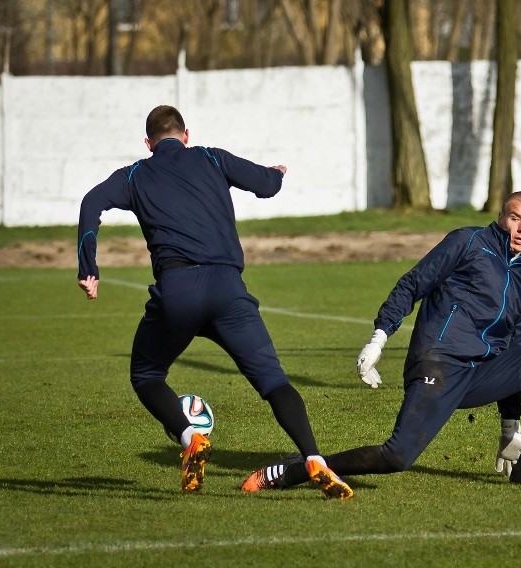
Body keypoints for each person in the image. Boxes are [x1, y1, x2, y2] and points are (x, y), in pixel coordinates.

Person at [76, 105, 352, 498]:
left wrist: (89, 268)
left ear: (148, 143)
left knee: (147, 375)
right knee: (275, 382)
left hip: (178, 292)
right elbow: (267, 186)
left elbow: (91, 202)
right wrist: (276, 174)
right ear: (186, 135)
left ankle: (190, 436)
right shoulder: (210, 156)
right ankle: (314, 459)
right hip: (228, 290)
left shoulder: (135, 175)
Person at [242, 191, 521, 494]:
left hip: (480, 375)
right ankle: (295, 470)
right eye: (515, 218)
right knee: (397, 456)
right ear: (502, 218)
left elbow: (515, 356)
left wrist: (510, 427)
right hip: (439, 363)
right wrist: (378, 339)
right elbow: (412, 284)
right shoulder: (468, 242)